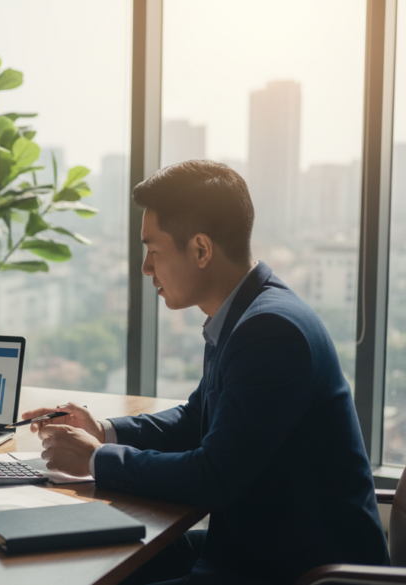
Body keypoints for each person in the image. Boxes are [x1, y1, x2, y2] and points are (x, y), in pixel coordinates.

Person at [22, 160, 388, 584]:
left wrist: (95, 458)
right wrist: (102, 430)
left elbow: (213, 477)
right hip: (258, 547)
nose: (145, 268)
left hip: (301, 571)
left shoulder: (271, 332)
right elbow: (198, 418)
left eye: (153, 250)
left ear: (200, 249)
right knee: (95, 555)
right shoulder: (246, 315)